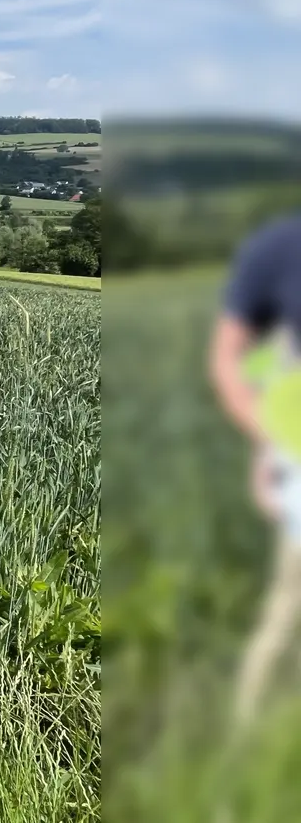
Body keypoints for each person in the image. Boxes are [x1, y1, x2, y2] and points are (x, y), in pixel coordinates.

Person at [207, 211, 301, 730]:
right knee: (288, 610)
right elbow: (230, 358)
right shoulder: (279, 249)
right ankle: (248, 742)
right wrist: (267, 444)